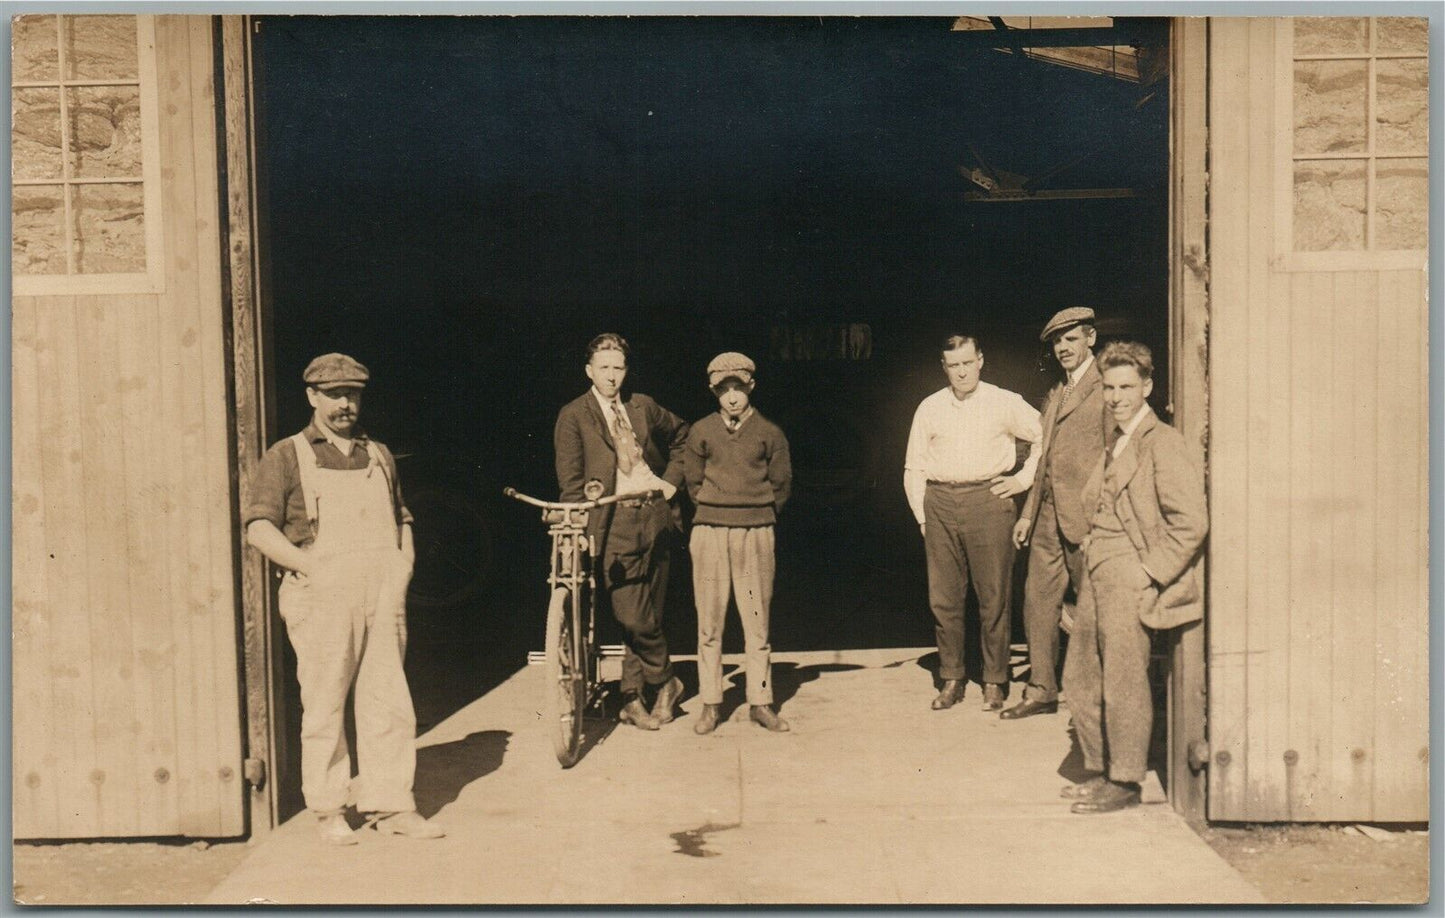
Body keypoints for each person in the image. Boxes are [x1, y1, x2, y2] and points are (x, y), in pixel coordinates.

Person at [244, 353, 444, 845]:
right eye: (334, 395)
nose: (344, 404)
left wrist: (403, 566)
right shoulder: (287, 455)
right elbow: (259, 529)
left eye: (352, 394)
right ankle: (330, 809)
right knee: (325, 701)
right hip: (322, 592)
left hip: (382, 587)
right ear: (312, 397)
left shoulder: (378, 454)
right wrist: (312, 568)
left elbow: (402, 518)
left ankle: (391, 804)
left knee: (389, 698)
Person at [1061, 341, 1208, 814]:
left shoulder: (1161, 441)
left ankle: (1125, 781)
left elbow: (1191, 522)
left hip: (1129, 574)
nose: (1117, 396)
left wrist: (1149, 571)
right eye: (1109, 387)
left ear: (1147, 386)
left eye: (1127, 386)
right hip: (1099, 571)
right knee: (1083, 678)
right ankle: (1103, 769)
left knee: (1123, 680)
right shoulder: (1117, 439)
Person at [554, 333, 690, 730]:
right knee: (631, 614)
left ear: (626, 371)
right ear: (589, 371)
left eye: (618, 368)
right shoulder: (574, 415)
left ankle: (632, 697)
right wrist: (577, 523)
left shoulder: (642, 406)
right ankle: (667, 681)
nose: (612, 376)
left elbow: (684, 436)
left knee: (651, 611)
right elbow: (571, 482)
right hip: (612, 521)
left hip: (656, 514)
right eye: (604, 368)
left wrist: (670, 483)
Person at [904, 334, 1042, 712]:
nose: (961, 372)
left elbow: (1046, 434)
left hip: (988, 501)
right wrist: (922, 515)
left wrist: (1021, 479)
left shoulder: (1004, 401)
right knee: (944, 598)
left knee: (993, 595)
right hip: (940, 503)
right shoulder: (930, 407)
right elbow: (914, 465)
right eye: (954, 365)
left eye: (967, 362)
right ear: (944, 367)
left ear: (980, 360)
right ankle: (952, 677)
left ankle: (995, 680)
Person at [1001, 308, 1106, 720]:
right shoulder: (1055, 393)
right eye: (1057, 342)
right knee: (1038, 603)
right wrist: (1027, 513)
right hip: (1045, 517)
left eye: (1071, 339)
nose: (1063, 347)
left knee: (1096, 608)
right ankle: (1041, 689)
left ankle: (1096, 696)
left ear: (1090, 338)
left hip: (1088, 520)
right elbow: (1042, 459)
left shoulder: (1106, 387)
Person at [683, 353, 793, 735]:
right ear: (713, 391)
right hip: (711, 532)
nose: (732, 397)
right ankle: (711, 702)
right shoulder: (700, 432)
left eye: (738, 388)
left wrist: (754, 514)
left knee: (757, 623)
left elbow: (781, 486)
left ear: (751, 387)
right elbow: (693, 484)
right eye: (724, 390)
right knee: (709, 624)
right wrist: (718, 509)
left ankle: (760, 702)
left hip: (755, 532)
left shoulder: (770, 433)